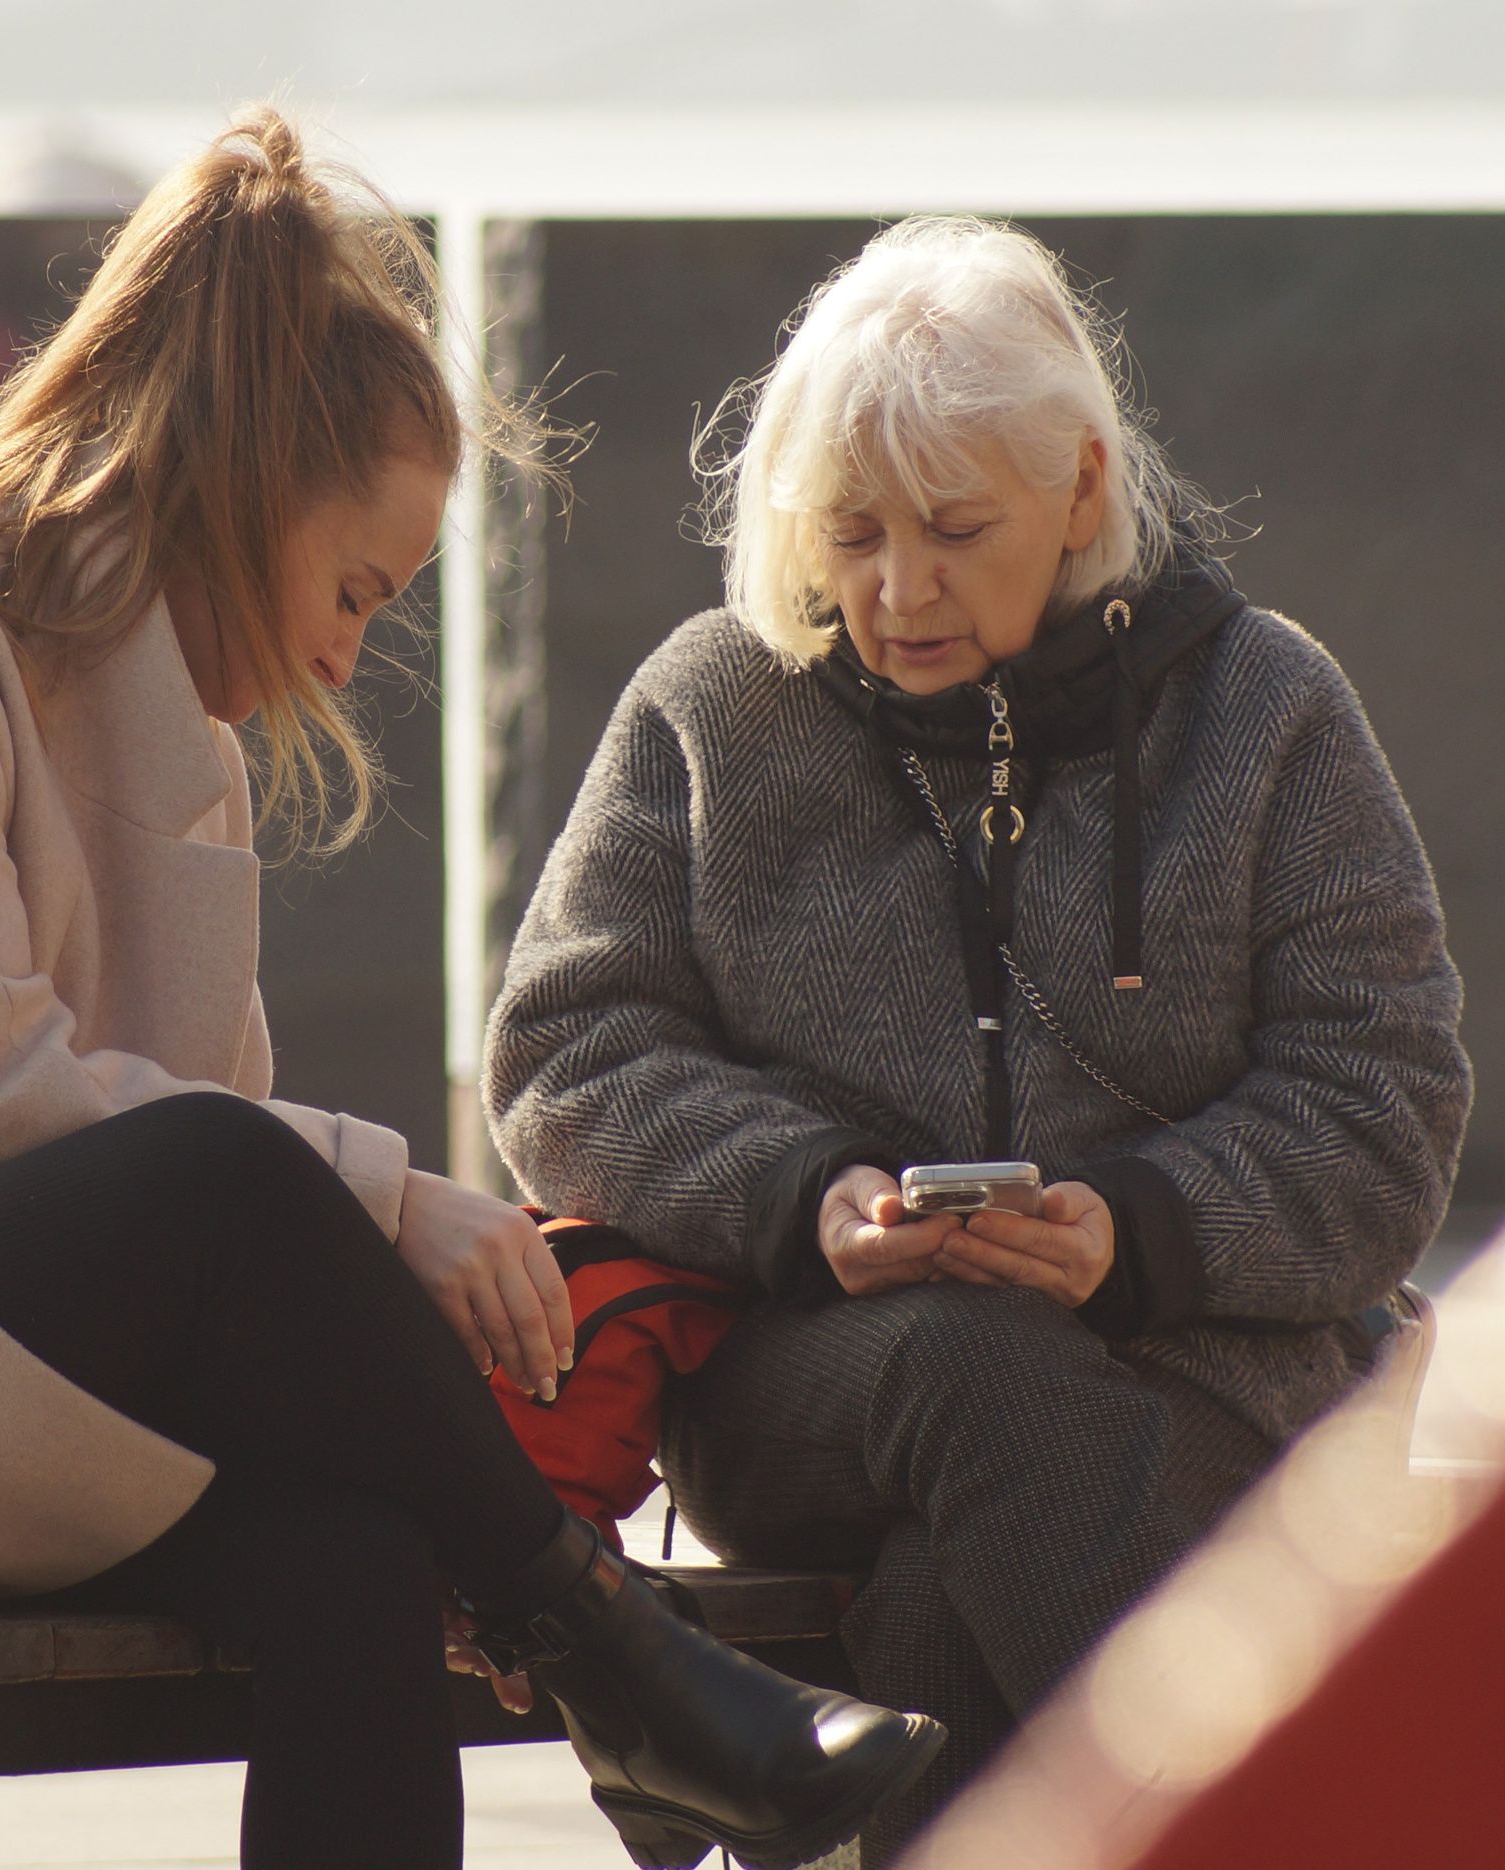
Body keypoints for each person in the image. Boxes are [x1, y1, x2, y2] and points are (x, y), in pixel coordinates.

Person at [0, 112, 939, 1870]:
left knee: (352, 1548)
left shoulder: (166, 741)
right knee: (237, 1177)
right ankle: (620, 1666)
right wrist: (397, 1199)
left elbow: (203, 1206)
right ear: (242, 482)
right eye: (352, 585)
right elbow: (7, 1108)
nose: (349, 649)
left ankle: (613, 1664)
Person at [484, 215, 1471, 1864]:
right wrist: (807, 1195)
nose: (893, 585)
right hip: (817, 1370)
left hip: (1210, 1370)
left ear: (1084, 489)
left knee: (944, 1608)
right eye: (846, 533)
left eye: (954, 528)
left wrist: (1136, 1229)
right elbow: (566, 1053)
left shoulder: (1266, 708)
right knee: (969, 1358)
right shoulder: (711, 704)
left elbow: (1385, 1111)